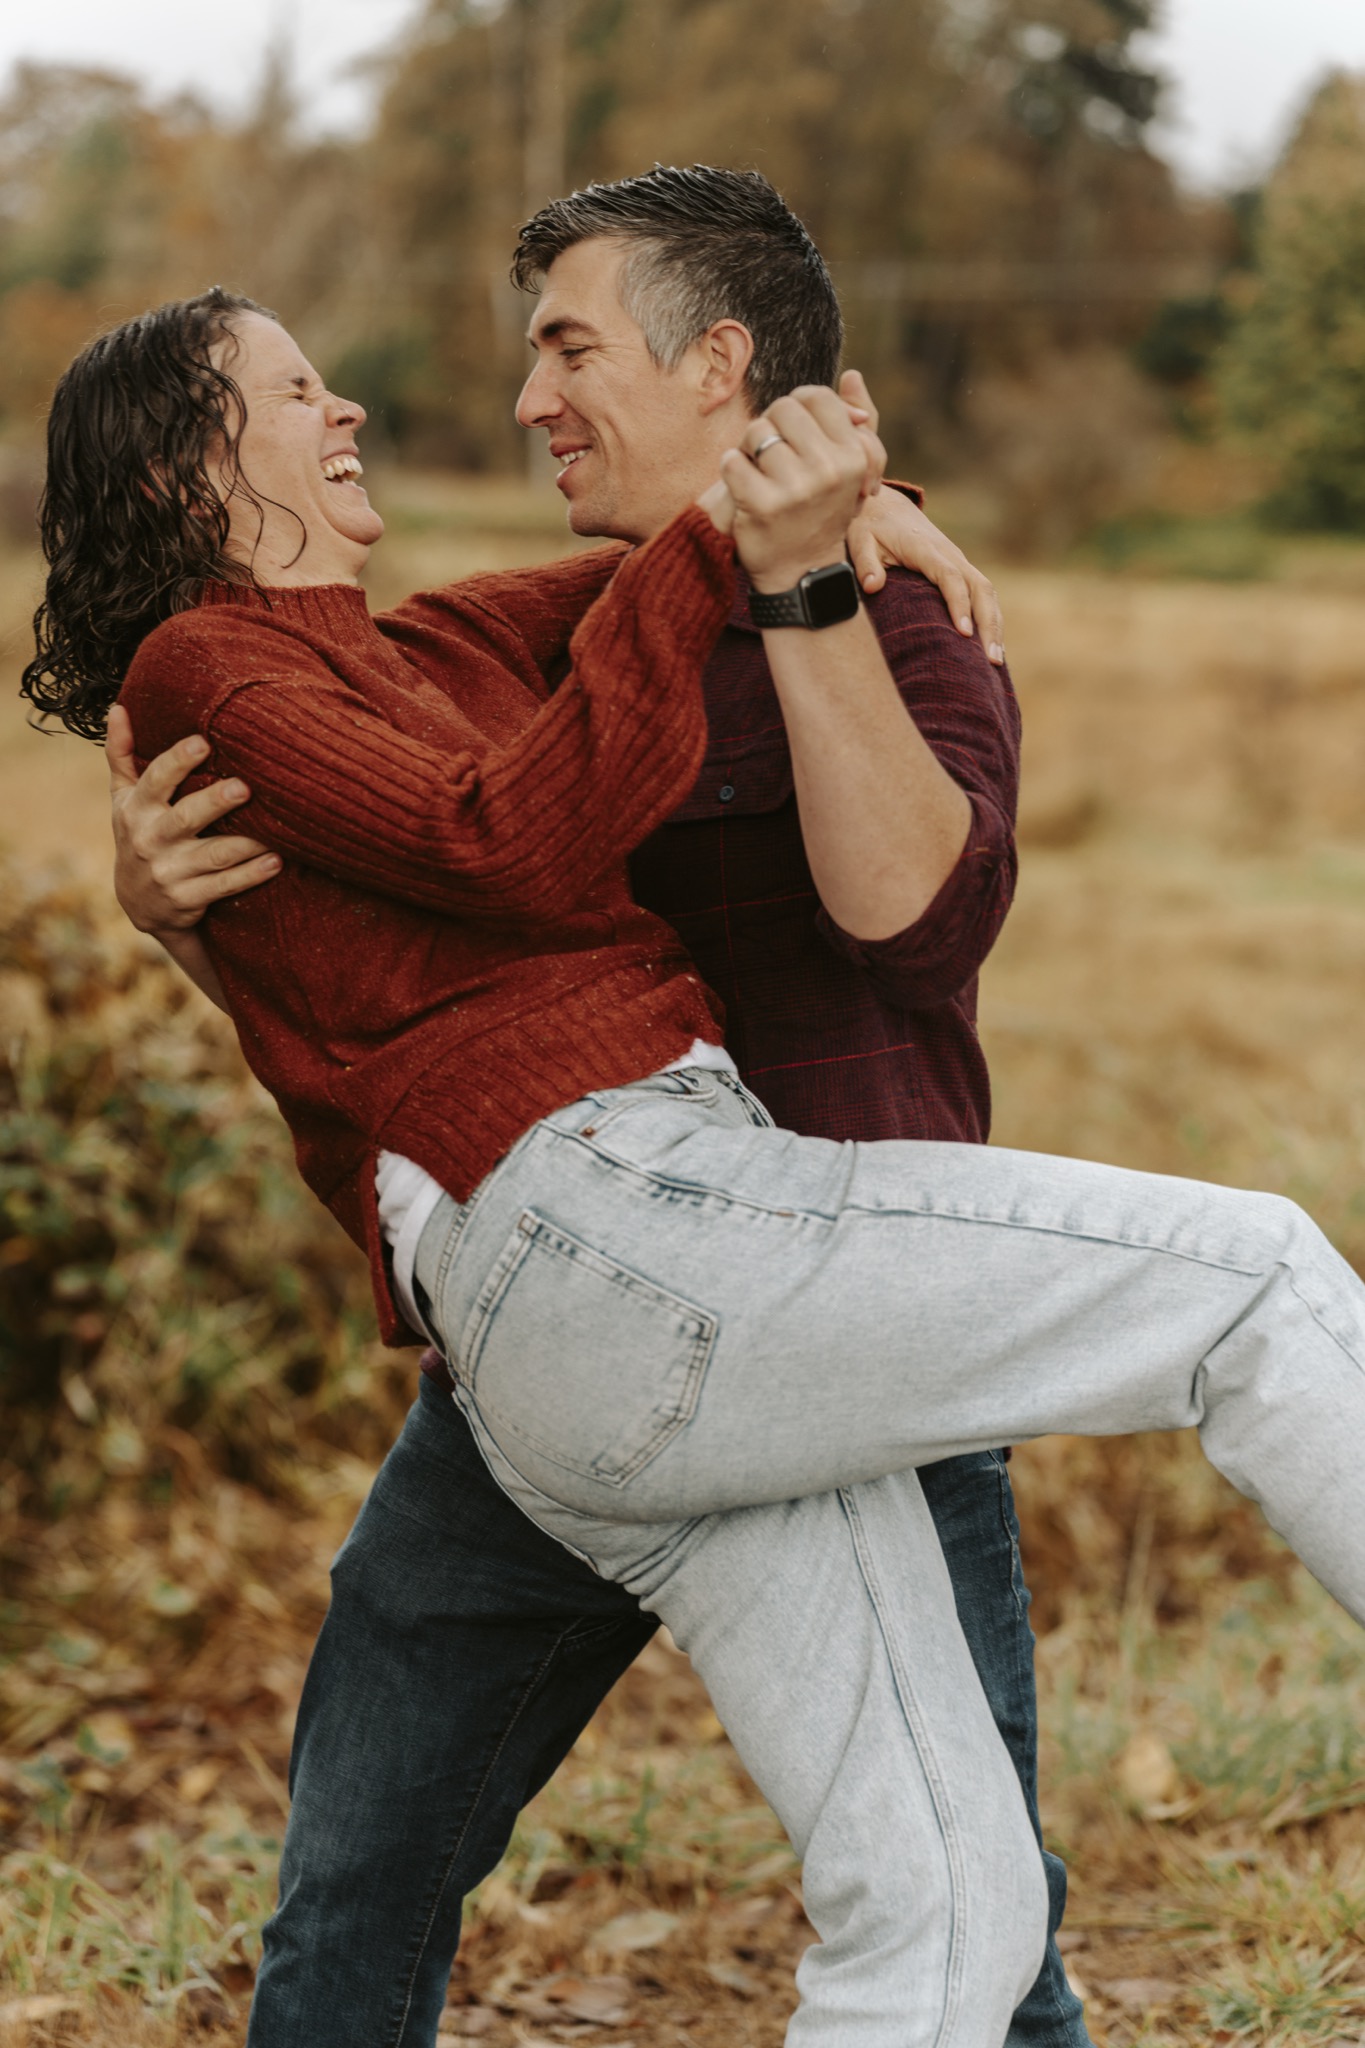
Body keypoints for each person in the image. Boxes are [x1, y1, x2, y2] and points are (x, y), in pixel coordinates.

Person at [29, 289, 1365, 2048]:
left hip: (628, 1321)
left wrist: (820, 522)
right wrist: (746, 526)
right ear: (189, 470)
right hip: (621, 1233)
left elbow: (614, 596)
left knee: (947, 1900)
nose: (347, 402)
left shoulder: (408, 655)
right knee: (1261, 1277)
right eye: (295, 390)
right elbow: (500, 836)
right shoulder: (213, 665)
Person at [109, 166, 1090, 2048]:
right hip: (556, 1330)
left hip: (861, 1322)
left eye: (567, 348)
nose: (526, 400)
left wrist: (820, 550)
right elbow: (392, 948)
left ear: (717, 362)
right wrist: (176, 922)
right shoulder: (531, 636)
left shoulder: (902, 617)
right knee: (353, 1894)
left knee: (980, 1921)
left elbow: (914, 916)